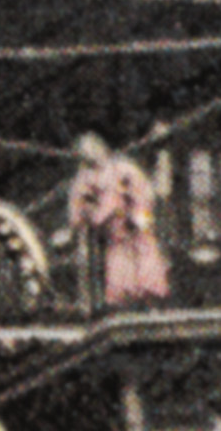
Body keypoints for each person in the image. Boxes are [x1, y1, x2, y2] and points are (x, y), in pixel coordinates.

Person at [66, 132, 171, 309]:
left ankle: (152, 306)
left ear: (101, 148)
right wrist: (89, 214)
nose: (90, 154)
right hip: (113, 237)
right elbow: (77, 211)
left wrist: (139, 215)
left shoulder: (124, 169)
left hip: (137, 231)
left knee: (148, 270)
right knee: (119, 280)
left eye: (92, 148)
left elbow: (144, 193)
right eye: (84, 151)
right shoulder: (83, 180)